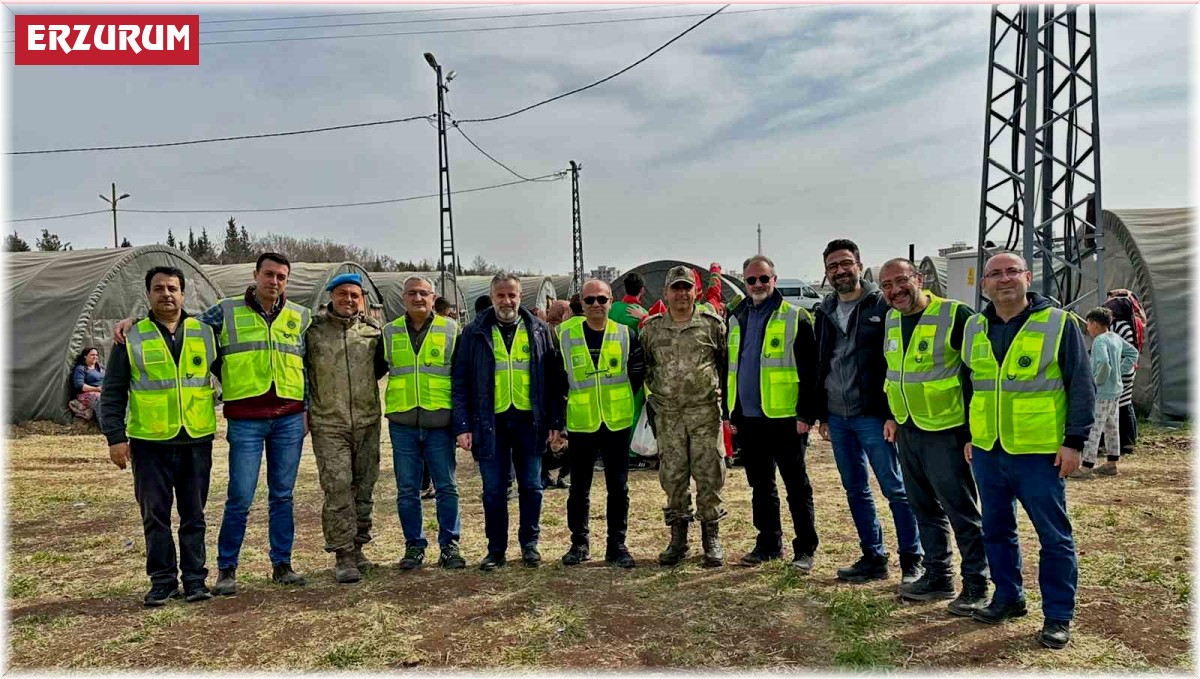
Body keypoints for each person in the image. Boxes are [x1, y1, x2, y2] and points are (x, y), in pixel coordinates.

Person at [113, 252, 312, 594]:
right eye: (268, 275)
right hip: (246, 419)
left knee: (283, 495)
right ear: (255, 275)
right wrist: (134, 321)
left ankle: (282, 564)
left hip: (289, 418)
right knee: (240, 495)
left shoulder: (300, 316)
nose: (274, 282)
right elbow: (179, 324)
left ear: (287, 280)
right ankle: (226, 569)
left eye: (281, 276)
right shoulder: (226, 311)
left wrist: (307, 408)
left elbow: (308, 362)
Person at [962, 251, 1095, 650]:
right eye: (995, 274)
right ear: (983, 284)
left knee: (1053, 537)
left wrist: (1074, 442)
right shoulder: (974, 327)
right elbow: (973, 385)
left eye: (1012, 272)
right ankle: (1008, 597)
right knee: (996, 530)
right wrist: (972, 434)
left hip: (1039, 452)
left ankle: (1057, 616)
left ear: (1028, 277)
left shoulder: (1057, 324)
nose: (1004, 280)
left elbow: (1081, 384)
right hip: (988, 449)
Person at [98, 266, 219, 606]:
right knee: (155, 515)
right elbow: (113, 391)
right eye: (159, 288)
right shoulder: (131, 337)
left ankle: (196, 580)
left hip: (195, 439)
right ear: (148, 294)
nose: (167, 294)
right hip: (150, 443)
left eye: (173, 288)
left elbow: (228, 371)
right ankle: (163, 581)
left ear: (183, 294)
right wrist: (115, 437)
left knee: (194, 515)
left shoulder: (205, 332)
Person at [877, 258, 989, 616]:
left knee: (960, 509)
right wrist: (894, 416)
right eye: (886, 286)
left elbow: (979, 375)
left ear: (919, 279)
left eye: (901, 281)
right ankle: (939, 575)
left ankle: (976, 583)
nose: (895, 290)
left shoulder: (956, 315)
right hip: (909, 429)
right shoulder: (892, 318)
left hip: (946, 431)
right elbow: (896, 371)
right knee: (923, 506)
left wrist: (973, 432)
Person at [813, 239, 924, 585]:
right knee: (855, 489)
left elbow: (896, 362)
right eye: (833, 266)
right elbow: (821, 363)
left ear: (859, 266)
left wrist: (891, 412)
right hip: (838, 416)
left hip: (874, 416)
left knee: (896, 488)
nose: (840, 271)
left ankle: (913, 558)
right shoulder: (825, 311)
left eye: (846, 263)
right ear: (827, 273)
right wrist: (823, 414)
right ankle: (873, 556)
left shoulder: (883, 306)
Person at [452, 272, 560, 570]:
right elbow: (460, 381)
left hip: (530, 421)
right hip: (490, 422)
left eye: (512, 295)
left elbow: (551, 380)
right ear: (492, 297)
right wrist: (462, 425)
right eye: (501, 295)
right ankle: (496, 549)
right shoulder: (474, 332)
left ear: (520, 296)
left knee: (532, 486)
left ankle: (530, 544)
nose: (507, 301)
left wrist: (554, 420)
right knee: (494, 490)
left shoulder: (538, 329)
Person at [726, 254, 819, 573]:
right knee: (760, 484)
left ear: (774, 280)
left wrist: (806, 414)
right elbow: (733, 368)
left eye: (763, 279)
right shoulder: (736, 317)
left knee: (796, 485)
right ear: (745, 283)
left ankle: (805, 548)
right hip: (750, 419)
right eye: (751, 280)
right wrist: (732, 414)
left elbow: (811, 371)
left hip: (786, 419)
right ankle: (768, 543)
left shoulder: (796, 317)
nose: (758, 285)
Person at [551, 279, 645, 568]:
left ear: (611, 301)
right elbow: (556, 379)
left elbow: (637, 373)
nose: (595, 306)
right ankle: (579, 543)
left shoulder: (626, 334)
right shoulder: (564, 335)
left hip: (616, 422)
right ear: (581, 303)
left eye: (601, 300)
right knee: (579, 488)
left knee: (619, 488)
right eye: (589, 300)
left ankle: (616, 544)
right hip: (582, 423)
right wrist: (558, 422)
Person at [640, 265, 728, 567]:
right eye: (675, 288)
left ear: (696, 292)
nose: (681, 293)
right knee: (673, 477)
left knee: (709, 475)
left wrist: (721, 398)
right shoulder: (651, 329)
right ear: (665, 293)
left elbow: (723, 365)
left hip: (704, 413)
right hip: (669, 416)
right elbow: (645, 367)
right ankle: (678, 539)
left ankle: (711, 537)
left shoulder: (712, 325)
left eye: (686, 288)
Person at [304, 273, 388, 584]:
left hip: (367, 421)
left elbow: (380, 368)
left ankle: (359, 546)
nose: (349, 300)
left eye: (355, 295)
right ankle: (343, 554)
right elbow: (302, 371)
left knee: (364, 486)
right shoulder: (313, 331)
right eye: (343, 294)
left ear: (362, 299)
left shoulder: (371, 332)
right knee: (338, 487)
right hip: (329, 422)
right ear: (331, 297)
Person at [384, 275, 466, 571]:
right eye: (412, 293)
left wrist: (461, 423)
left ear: (434, 298)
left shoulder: (451, 330)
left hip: (439, 422)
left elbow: (461, 380)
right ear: (403, 298)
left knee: (447, 486)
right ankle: (414, 546)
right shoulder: (389, 332)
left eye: (424, 293)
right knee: (407, 489)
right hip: (403, 421)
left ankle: (450, 545)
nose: (418, 298)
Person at [1070, 307, 1137, 479]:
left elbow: (1104, 364)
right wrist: (1119, 372)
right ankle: (1111, 463)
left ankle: (1086, 467)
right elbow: (1133, 353)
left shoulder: (1099, 341)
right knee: (1112, 427)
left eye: (1088, 324)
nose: (1087, 328)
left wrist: (1095, 383)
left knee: (1094, 429)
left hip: (1101, 393)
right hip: (1115, 391)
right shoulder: (1115, 337)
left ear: (1094, 323)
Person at [1103, 291, 1143, 456]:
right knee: (1125, 404)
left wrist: (1116, 370)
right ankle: (1128, 441)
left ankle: (1124, 441)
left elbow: (1123, 350)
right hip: (1127, 369)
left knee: (1117, 405)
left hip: (1121, 370)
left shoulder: (1118, 326)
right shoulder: (1131, 324)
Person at [541, 299, 575, 490]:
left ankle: (546, 476)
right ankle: (558, 475)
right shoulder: (562, 334)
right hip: (562, 397)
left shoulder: (546, 331)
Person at [70, 347, 105, 420]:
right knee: (99, 399)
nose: (95, 357)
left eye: (96, 355)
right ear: (85, 356)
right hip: (86, 394)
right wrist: (97, 389)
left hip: (102, 390)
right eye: (92, 355)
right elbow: (80, 385)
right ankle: (103, 424)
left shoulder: (100, 367)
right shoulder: (81, 369)